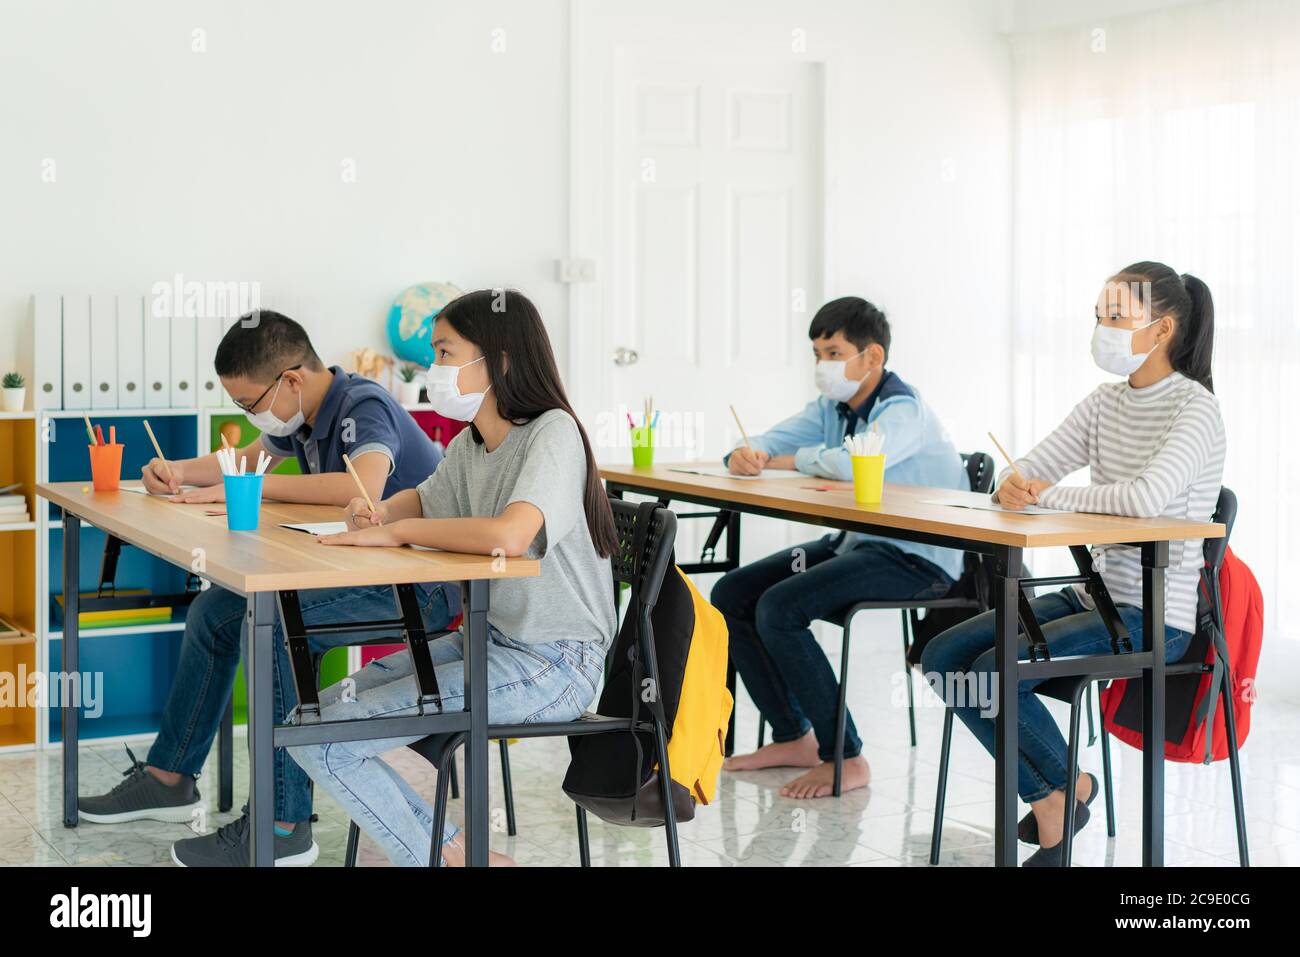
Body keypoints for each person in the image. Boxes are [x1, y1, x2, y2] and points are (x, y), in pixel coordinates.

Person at [78, 310, 455, 867]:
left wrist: (246, 486)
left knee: (276, 621)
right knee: (216, 610)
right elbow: (248, 459)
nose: (250, 417)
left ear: (292, 381)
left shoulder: (362, 405)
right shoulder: (299, 415)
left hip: (420, 586)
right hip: (361, 573)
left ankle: (283, 825)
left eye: (249, 405)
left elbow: (364, 485)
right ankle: (170, 776)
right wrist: (179, 471)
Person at [288, 289, 616, 867]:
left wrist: (392, 535)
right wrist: (382, 511)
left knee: (327, 738)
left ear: (501, 359)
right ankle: (457, 853)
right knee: (305, 719)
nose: (432, 369)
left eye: (444, 353)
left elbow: (512, 535)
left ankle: (451, 859)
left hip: (556, 664)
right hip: (488, 642)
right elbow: (425, 499)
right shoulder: (473, 442)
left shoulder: (552, 433)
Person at [921, 262, 1224, 866]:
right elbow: (1023, 470)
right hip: (1092, 597)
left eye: (1116, 318)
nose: (1101, 329)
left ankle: (1052, 800)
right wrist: (1014, 485)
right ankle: (1064, 788)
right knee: (943, 659)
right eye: (1098, 318)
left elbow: (1143, 499)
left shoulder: (1195, 410)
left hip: (1154, 615)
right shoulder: (1104, 404)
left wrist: (1045, 493)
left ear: (1161, 329)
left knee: (994, 666)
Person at [713, 296, 968, 798]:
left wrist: (787, 461)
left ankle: (845, 757)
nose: (822, 366)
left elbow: (855, 462)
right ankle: (795, 737)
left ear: (872, 357)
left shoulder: (903, 409)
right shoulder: (834, 408)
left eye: (833, 352)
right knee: (732, 593)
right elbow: (767, 440)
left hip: (917, 556)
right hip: (857, 543)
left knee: (780, 608)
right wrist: (746, 453)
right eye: (817, 354)